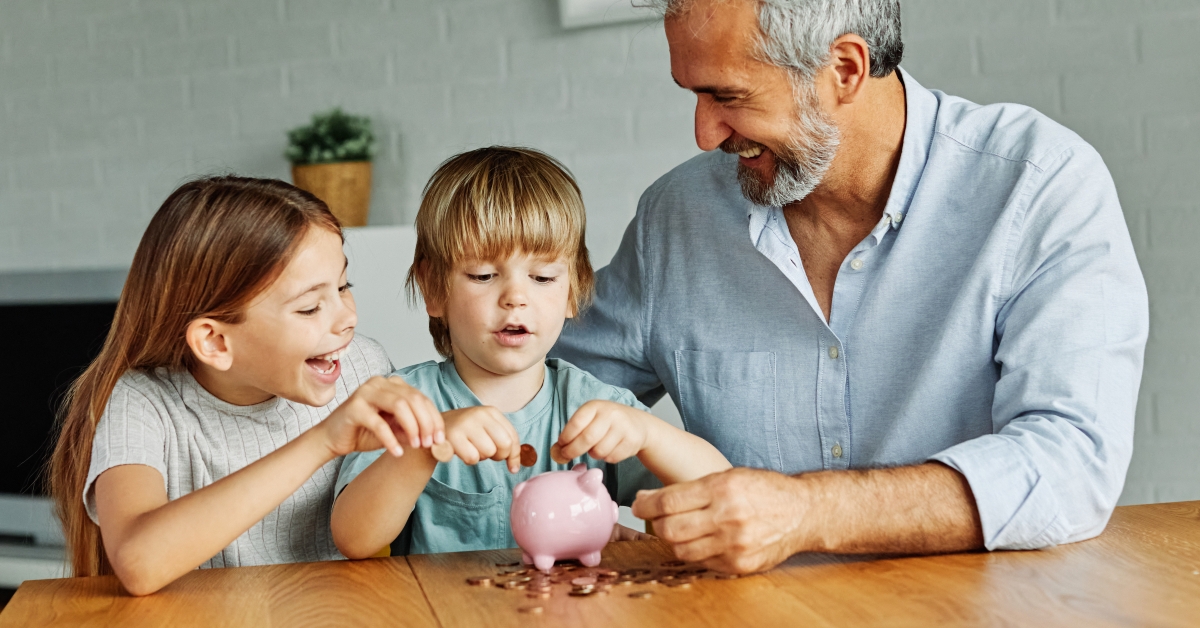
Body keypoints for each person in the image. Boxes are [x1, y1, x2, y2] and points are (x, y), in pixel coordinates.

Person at [552, 0, 1149, 573]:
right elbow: (541, 398)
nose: (705, 134)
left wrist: (807, 512)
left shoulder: (1040, 186)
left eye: (727, 96)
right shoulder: (676, 217)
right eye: (694, 94)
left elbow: (1072, 461)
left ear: (844, 69)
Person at [330, 147, 731, 560]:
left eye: (542, 277)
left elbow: (723, 490)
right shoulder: (404, 406)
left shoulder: (592, 404)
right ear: (434, 288)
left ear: (574, 289)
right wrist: (422, 451)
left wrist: (650, 435)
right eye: (483, 275)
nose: (516, 298)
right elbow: (353, 538)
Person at [49, 176, 443, 595]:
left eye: (344, 287)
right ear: (215, 342)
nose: (347, 318)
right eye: (309, 307)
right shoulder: (142, 402)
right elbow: (138, 562)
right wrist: (322, 441)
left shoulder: (362, 365)